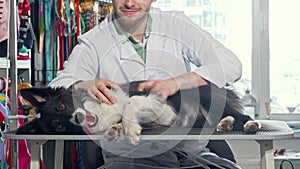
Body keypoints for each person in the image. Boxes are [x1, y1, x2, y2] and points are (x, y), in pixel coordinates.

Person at [50, 0, 242, 168]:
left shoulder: (176, 25)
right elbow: (58, 84)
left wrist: (175, 83)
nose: (130, 3)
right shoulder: (94, 41)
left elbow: (230, 65)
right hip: (128, 156)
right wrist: (83, 84)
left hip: (190, 151)